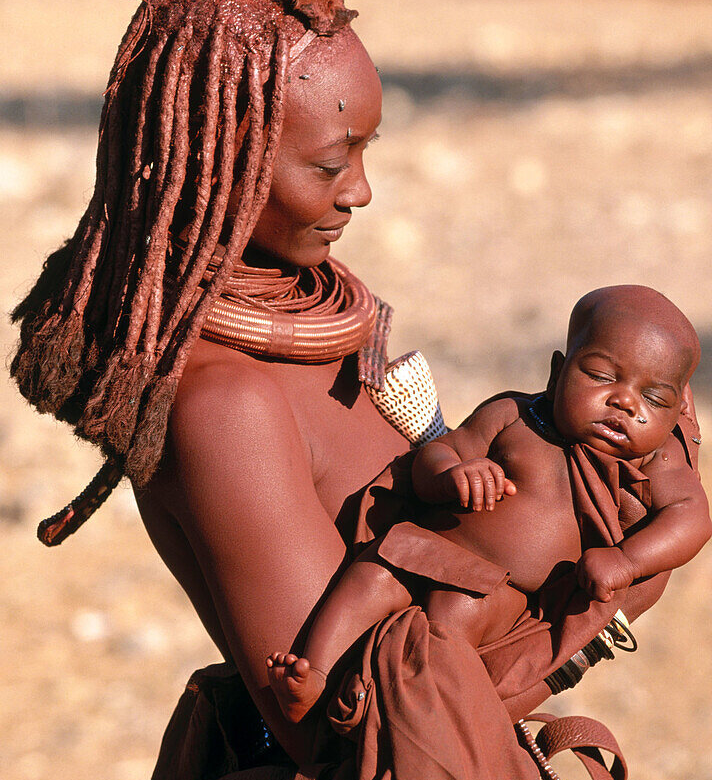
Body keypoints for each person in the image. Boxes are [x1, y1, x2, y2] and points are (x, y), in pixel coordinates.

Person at [10, 0, 698, 780]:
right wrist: (551, 607)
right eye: (334, 161)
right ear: (226, 162)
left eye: (366, 151)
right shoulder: (223, 403)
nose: (362, 192)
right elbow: (345, 723)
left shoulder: (344, 330)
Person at [267, 285, 711, 724]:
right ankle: (315, 675)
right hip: (427, 548)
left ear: (676, 416)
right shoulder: (514, 415)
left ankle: (393, 703)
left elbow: (692, 518)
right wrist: (449, 474)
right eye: (600, 375)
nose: (625, 401)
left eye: (654, 399)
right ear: (558, 373)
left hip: (498, 590)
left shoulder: (657, 462)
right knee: (371, 575)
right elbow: (439, 453)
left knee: (448, 620)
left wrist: (628, 561)